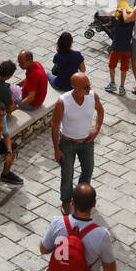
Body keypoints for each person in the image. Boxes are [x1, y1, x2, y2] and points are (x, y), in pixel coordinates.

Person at [51, 73, 103, 214]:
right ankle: (66, 200)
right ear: (74, 87)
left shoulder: (93, 96)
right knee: (67, 173)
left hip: (86, 141)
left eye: (89, 85)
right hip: (67, 142)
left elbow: (100, 111)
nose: (89, 89)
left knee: (88, 169)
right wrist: (57, 149)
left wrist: (96, 130)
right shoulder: (62, 102)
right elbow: (55, 126)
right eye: (85, 87)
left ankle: (81, 199)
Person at [104, 0, 136, 95]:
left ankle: (112, 83)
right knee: (124, 68)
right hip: (127, 50)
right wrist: (127, 11)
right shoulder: (131, 23)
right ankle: (122, 87)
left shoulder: (116, 22)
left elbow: (108, 13)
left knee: (112, 66)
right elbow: (133, 15)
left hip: (116, 49)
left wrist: (118, 9)